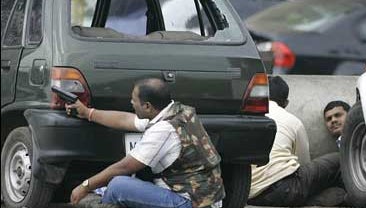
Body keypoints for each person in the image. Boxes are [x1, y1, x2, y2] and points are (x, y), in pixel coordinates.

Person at [66, 78, 225, 208]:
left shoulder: (164, 130)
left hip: (190, 202)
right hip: (205, 198)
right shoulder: (178, 111)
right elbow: (126, 120)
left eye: (134, 100)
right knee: (123, 183)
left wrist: (85, 185)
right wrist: (88, 113)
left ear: (147, 106)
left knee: (118, 186)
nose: (131, 102)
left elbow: (124, 167)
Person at [247, 76, 346, 207]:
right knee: (340, 159)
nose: (333, 121)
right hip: (285, 190)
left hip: (248, 195)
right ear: (286, 103)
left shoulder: (246, 118)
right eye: (329, 118)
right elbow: (303, 162)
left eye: (338, 116)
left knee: (332, 193)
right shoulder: (292, 121)